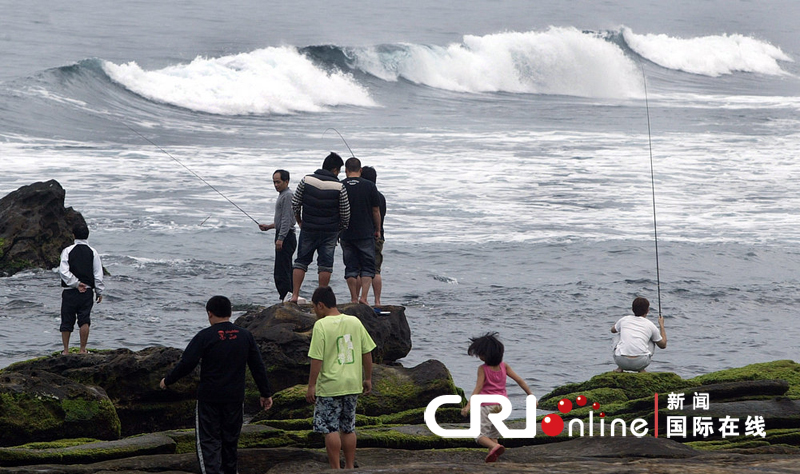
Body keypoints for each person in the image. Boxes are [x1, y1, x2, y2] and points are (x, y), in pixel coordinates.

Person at [160, 296, 274, 474]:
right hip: (235, 398)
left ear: (210, 313)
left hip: (209, 399)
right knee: (230, 442)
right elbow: (257, 366)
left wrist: (168, 380)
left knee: (208, 443)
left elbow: (187, 363)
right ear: (230, 313)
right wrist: (265, 393)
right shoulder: (245, 336)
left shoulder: (205, 336)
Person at [305, 286, 375, 469]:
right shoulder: (354, 322)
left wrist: (311, 385)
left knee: (330, 428)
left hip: (330, 385)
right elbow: (367, 352)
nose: (314, 312)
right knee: (348, 427)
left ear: (320, 305)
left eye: (314, 307)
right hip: (352, 383)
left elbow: (317, 359)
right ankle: (350, 467)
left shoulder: (321, 325)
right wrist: (368, 378)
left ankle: (335, 469)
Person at [461, 332, 532, 463]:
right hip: (502, 405)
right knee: (493, 434)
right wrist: (530, 395)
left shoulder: (483, 369)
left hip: (486, 405)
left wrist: (467, 406)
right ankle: (493, 456)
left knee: (479, 435)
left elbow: (478, 388)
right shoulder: (504, 366)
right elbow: (519, 380)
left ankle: (495, 447)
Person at [289, 153, 351, 303]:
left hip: (308, 227)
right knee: (325, 265)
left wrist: (300, 221)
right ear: (335, 169)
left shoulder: (306, 180)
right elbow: (345, 213)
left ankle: (295, 295)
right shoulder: (339, 186)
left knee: (300, 262)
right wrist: (340, 230)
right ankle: (319, 300)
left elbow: (295, 204)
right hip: (329, 231)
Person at [340, 158, 381, 304]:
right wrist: (377, 229)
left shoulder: (340, 185)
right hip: (365, 232)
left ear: (346, 170)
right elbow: (375, 210)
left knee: (350, 266)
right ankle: (364, 297)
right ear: (360, 170)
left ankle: (353, 299)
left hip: (346, 233)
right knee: (368, 266)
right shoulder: (369, 186)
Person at [59, 223, 104, 355]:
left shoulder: (67, 251)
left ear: (73, 235)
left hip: (69, 291)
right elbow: (98, 274)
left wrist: (75, 283)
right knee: (84, 319)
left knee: (66, 320)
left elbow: (63, 272)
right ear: (87, 235)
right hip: (87, 291)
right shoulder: (93, 252)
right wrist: (99, 291)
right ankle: (82, 349)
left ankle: (66, 350)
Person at [259, 169, 297, 301]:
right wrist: (269, 227)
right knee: (285, 268)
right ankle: (289, 296)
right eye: (274, 182)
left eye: (278, 182)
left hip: (286, 237)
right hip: (284, 235)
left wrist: (280, 238)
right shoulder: (283, 194)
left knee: (282, 271)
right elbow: (282, 220)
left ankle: (286, 297)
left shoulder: (287, 195)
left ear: (286, 181)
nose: (276, 185)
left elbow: (287, 220)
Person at [610, 297, 667, 372]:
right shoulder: (650, 325)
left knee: (618, 335)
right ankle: (641, 369)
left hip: (621, 361)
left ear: (632, 309)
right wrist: (661, 325)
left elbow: (613, 330)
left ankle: (620, 368)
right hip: (641, 362)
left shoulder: (624, 319)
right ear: (647, 310)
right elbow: (663, 345)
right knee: (653, 339)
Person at [359, 166, 386, 306]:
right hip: (378, 236)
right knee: (376, 270)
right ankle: (377, 301)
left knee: (359, 269)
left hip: (364, 235)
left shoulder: (364, 195)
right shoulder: (381, 197)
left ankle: (358, 299)